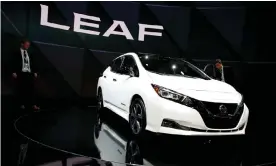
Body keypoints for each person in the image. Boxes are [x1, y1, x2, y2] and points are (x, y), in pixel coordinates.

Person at [12, 39, 40, 111]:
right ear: (22, 44)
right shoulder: (16, 52)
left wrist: (35, 72)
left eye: (28, 45)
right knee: (21, 89)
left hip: (29, 73)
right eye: (26, 45)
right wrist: (13, 71)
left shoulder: (29, 53)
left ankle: (33, 104)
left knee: (32, 89)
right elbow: (12, 62)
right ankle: (22, 104)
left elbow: (33, 63)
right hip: (21, 73)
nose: (28, 46)